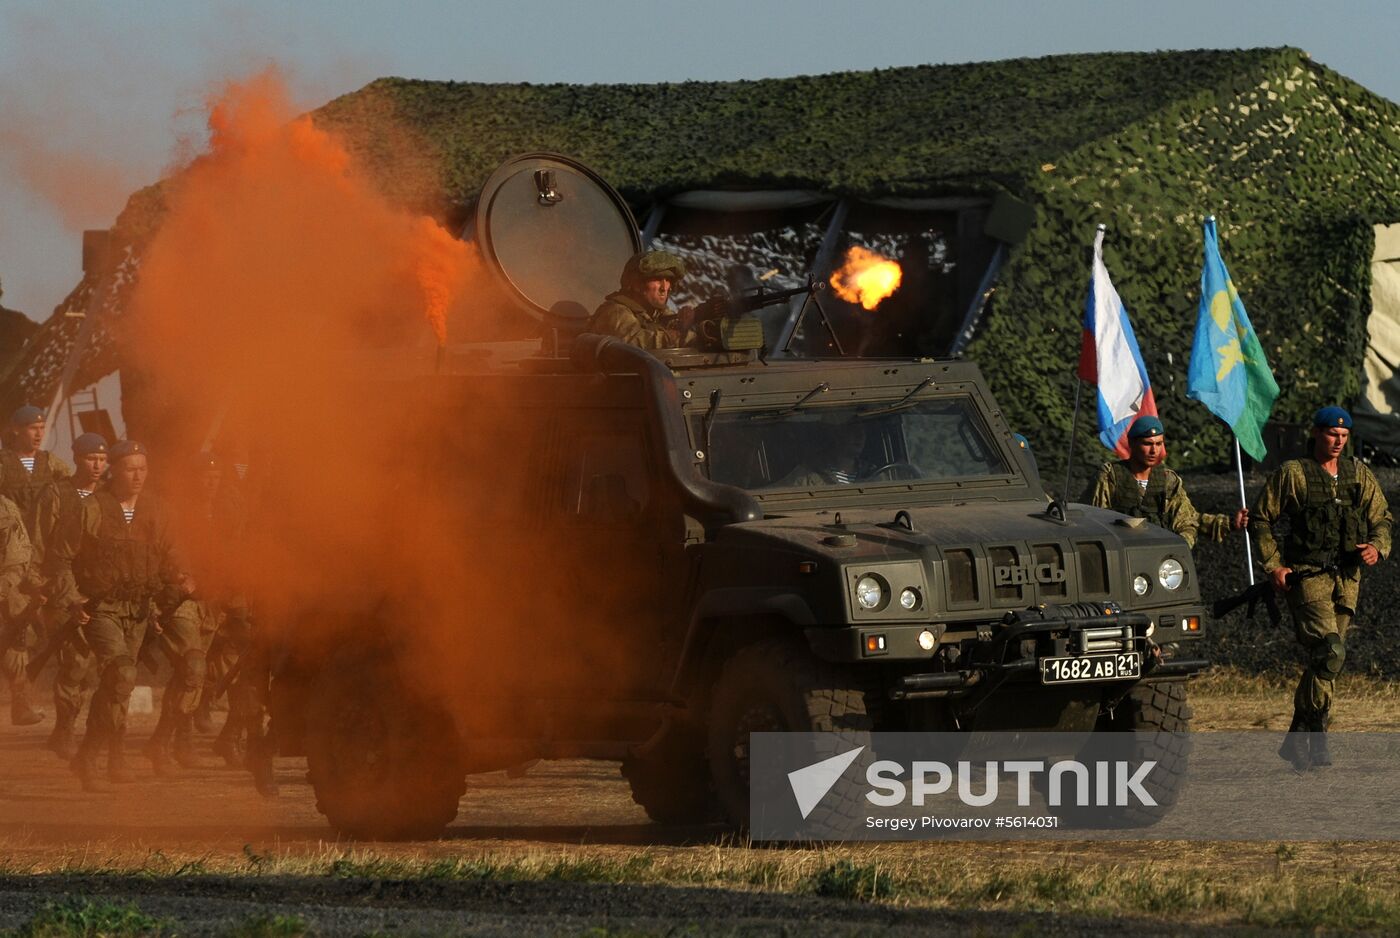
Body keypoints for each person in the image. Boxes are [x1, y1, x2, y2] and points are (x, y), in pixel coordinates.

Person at [1250, 406, 1391, 769]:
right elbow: (1261, 518)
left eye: (1344, 436)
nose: (1338, 441)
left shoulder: (1358, 474)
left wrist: (1377, 547)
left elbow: (1382, 518)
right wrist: (1274, 565)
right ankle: (1315, 734)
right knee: (1330, 652)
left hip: (1347, 580)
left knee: (1327, 660)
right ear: (1315, 433)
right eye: (1332, 434)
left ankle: (1299, 737)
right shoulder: (1293, 474)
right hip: (1308, 577)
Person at [63, 440, 184, 791]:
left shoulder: (158, 511)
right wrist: (72, 598)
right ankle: (91, 757)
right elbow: (61, 558)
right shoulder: (92, 508)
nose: (137, 476)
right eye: (130, 468)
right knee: (122, 673)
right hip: (101, 609)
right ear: (113, 470)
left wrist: (177, 585)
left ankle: (109, 754)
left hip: (139, 611)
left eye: (143, 469)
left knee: (120, 685)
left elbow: (171, 557)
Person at [31, 432, 109, 757]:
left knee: (93, 666)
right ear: (77, 458)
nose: (97, 465)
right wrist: (38, 585)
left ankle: (74, 728)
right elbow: (40, 540)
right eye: (91, 458)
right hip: (61, 587)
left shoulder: (108, 497)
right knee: (75, 660)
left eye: (102, 459)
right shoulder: (56, 494)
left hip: (96, 590)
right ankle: (65, 729)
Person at [1088, 415, 1248, 549]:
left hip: (1160, 556)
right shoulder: (1110, 477)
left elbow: (1188, 519)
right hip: (1120, 554)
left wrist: (1229, 523)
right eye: (1147, 444)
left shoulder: (1167, 481)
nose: (1154, 450)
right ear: (1132, 443)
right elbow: (1092, 520)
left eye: (1158, 444)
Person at [589, 250, 693, 349]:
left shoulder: (656, 313)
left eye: (668, 280)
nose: (664, 287)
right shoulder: (616, 312)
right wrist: (678, 336)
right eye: (657, 279)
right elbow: (636, 343)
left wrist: (688, 324)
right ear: (636, 284)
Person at [0, 491, 43, 725]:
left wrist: (32, 582)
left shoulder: (6, 506)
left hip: (8, 589)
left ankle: (21, 704)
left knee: (16, 644)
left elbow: (19, 555)